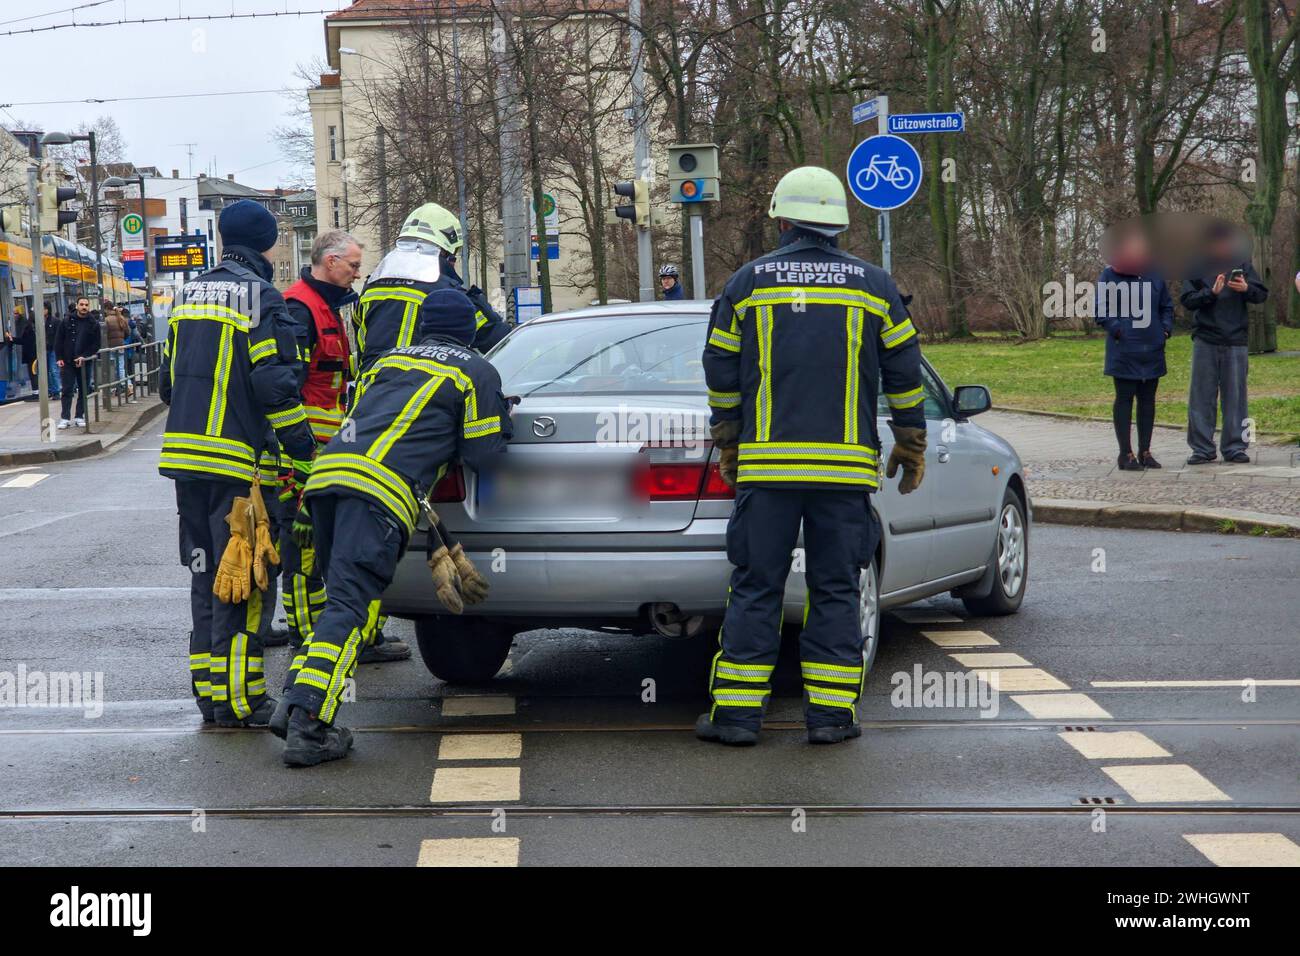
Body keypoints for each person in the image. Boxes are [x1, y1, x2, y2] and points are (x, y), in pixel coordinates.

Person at [698, 165, 927, 747]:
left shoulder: (748, 283)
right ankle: (830, 718)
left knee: (756, 586)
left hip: (768, 470)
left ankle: (737, 719)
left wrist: (728, 438)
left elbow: (720, 370)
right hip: (844, 472)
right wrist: (910, 439)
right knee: (835, 587)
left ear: (782, 218)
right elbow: (904, 372)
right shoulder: (876, 286)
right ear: (838, 224)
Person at [271, 288, 512, 766]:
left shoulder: (386, 361)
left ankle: (293, 703)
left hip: (325, 483)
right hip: (376, 495)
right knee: (351, 609)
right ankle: (310, 727)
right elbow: (483, 454)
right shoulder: (475, 370)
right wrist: (503, 415)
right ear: (471, 331)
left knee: (338, 604)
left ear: (422, 327)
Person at [158, 198, 317, 727]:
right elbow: (276, 386)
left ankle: (209, 694)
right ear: (267, 243)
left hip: (185, 463)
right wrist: (304, 451)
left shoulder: (187, 296)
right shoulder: (262, 297)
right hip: (237, 470)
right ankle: (242, 700)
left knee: (206, 577)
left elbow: (166, 385)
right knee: (245, 581)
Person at [354, 202, 509, 374]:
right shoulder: (445, 292)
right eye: (453, 255)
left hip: (368, 393)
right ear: (443, 252)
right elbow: (498, 340)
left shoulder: (371, 287)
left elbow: (361, 344)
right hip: (419, 393)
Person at [1179, 224, 1267, 465]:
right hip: (1206, 339)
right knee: (1201, 397)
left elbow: (1261, 294)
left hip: (1236, 339)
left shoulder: (1242, 264)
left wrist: (1246, 288)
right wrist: (1211, 293)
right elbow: (1187, 300)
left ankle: (1236, 446)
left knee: (1236, 397)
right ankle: (1202, 449)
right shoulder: (1196, 265)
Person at [1094, 226, 1173, 470]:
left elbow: (1166, 306)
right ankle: (1125, 454)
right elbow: (1101, 309)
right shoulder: (1110, 275)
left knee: (1148, 400)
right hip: (1124, 349)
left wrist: (1165, 330)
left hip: (1152, 348)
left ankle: (1146, 451)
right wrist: (1119, 330)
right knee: (1125, 399)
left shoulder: (1155, 274)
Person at [54, 297, 101, 428]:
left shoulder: (93, 323)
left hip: (84, 362)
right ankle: (65, 417)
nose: (84, 307)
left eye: (86, 305)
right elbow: (59, 341)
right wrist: (59, 358)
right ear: (77, 305)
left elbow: (96, 344)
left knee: (84, 390)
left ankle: (80, 415)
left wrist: (84, 356)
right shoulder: (66, 321)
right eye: (81, 304)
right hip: (68, 361)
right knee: (67, 389)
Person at [103, 305, 130, 402]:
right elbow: (127, 332)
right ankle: (124, 386)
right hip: (121, 346)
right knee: (121, 367)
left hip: (110, 346)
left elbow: (104, 334)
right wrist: (122, 340)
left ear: (107, 310)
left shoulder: (106, 320)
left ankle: (126, 385)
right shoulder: (121, 318)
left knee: (114, 368)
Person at [42, 304, 61, 400]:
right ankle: (50, 390)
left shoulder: (55, 321)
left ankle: (56, 391)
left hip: (53, 349)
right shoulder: (39, 321)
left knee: (53, 370)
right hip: (44, 349)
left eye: (43, 308)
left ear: (47, 310)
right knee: (46, 371)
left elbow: (59, 336)